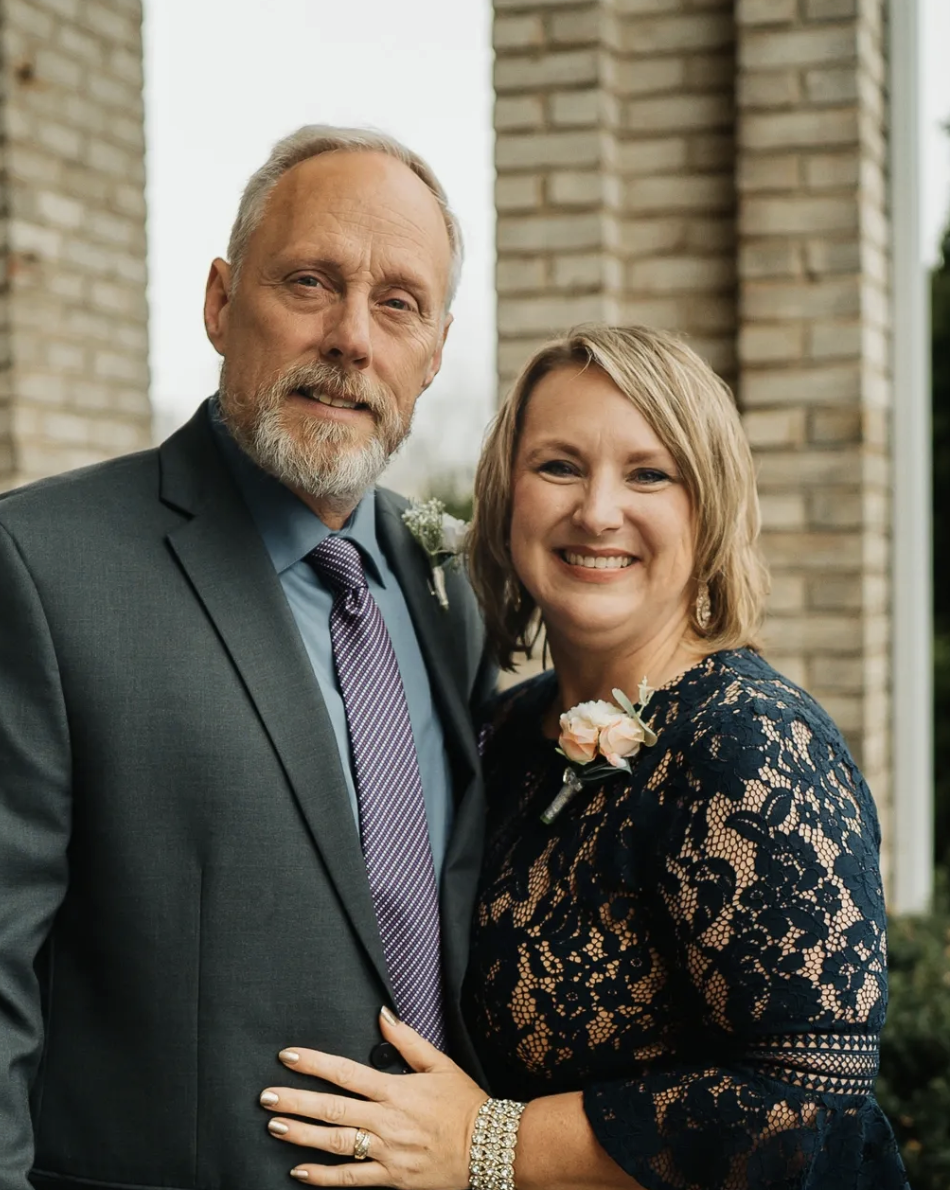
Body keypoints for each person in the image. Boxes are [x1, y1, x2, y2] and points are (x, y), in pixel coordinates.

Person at [0, 126, 495, 1189]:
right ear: (220, 303)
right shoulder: (29, 571)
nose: (350, 337)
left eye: (397, 304)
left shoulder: (449, 588)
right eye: (310, 282)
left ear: (433, 350)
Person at [261, 325, 909, 1189]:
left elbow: (808, 1104)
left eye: (649, 474)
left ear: (708, 505)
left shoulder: (749, 745)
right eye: (560, 466)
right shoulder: (505, 729)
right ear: (508, 498)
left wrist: (486, 1142)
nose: (598, 511)